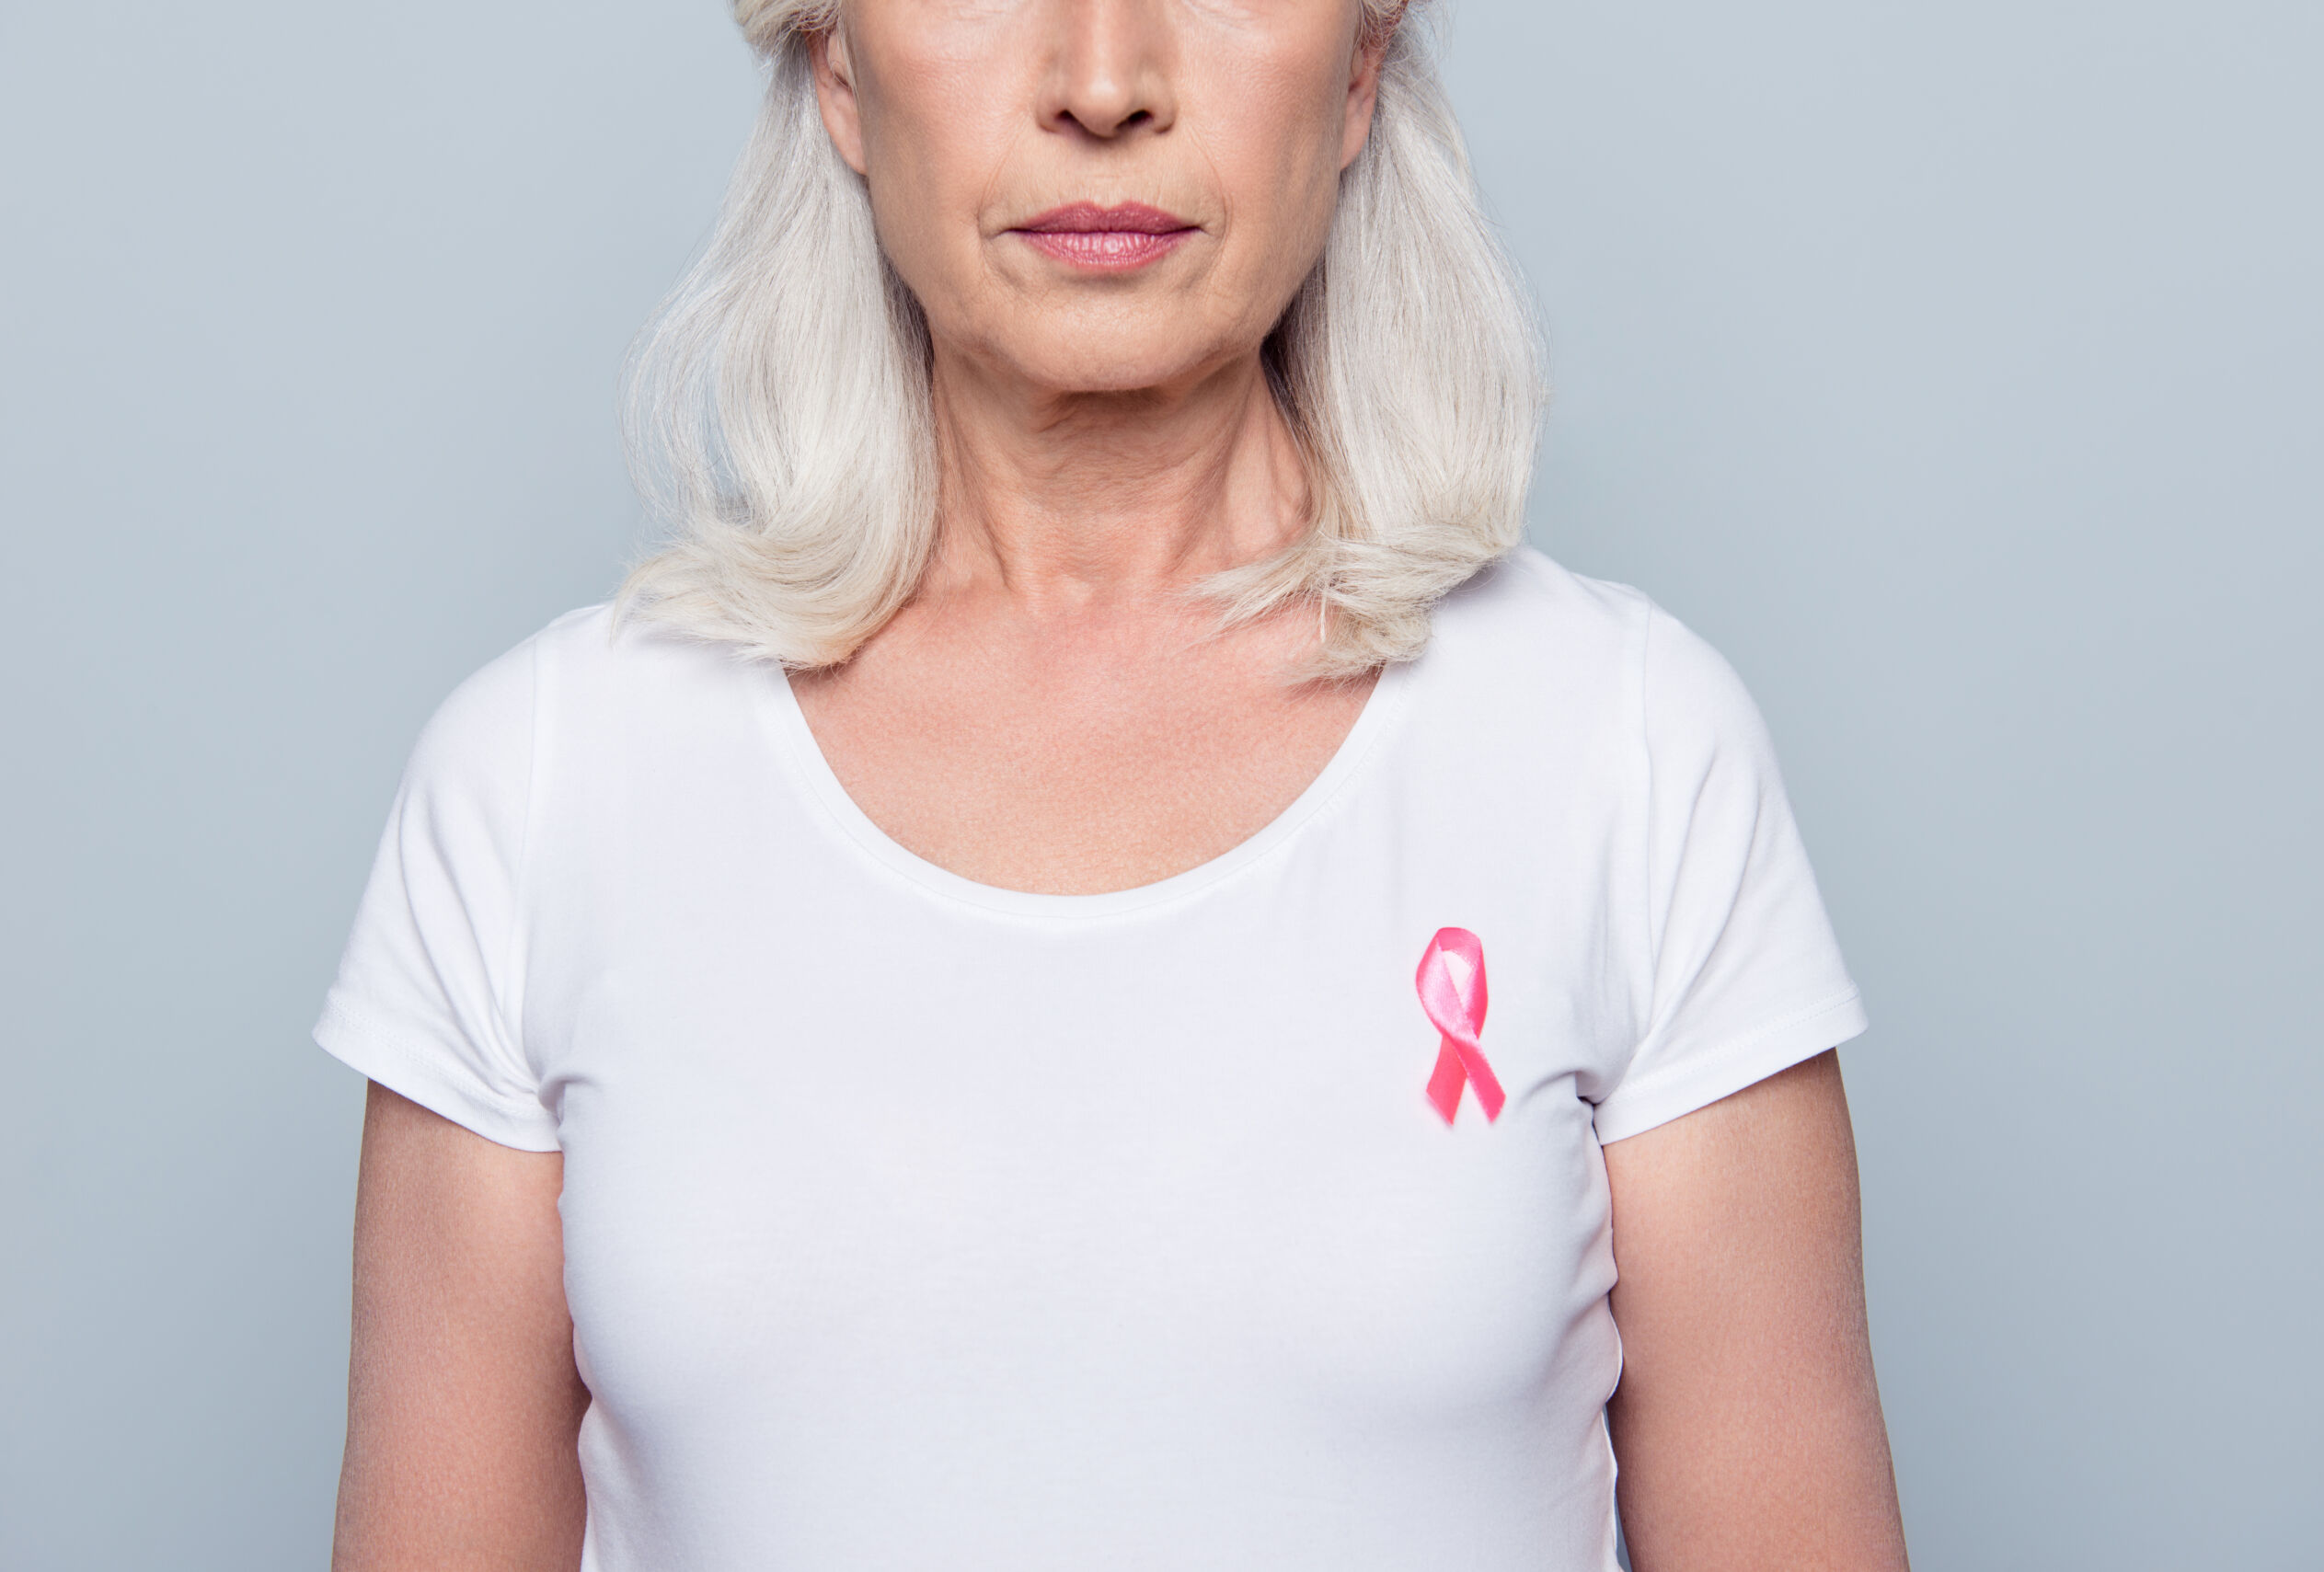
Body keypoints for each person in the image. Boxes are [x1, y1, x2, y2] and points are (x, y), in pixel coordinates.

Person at [317, 2, 1910, 1567]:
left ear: (1361, 64)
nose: (1102, 78)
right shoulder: (543, 786)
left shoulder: (1624, 754)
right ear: (839, 73)